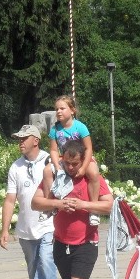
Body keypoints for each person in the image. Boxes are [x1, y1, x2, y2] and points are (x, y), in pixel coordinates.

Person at [32, 139, 113, 279]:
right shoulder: (58, 177)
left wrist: (83, 205)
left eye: (75, 164)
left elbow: (109, 205)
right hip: (60, 242)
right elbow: (36, 202)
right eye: (67, 163)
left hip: (86, 241)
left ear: (83, 160)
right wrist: (59, 203)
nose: (70, 168)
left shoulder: (91, 178)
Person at [0, 125, 58, 279]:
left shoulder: (49, 161)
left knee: (46, 261)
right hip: (26, 228)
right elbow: (10, 200)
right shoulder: (16, 167)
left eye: (24, 138)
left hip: (48, 225)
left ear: (36, 140)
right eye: (18, 138)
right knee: (33, 269)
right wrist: (4, 229)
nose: (20, 142)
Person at [40, 96, 103, 226]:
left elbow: (89, 148)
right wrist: (57, 166)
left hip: (82, 158)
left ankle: (94, 209)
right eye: (56, 109)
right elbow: (53, 150)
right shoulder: (55, 129)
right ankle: (49, 205)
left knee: (94, 172)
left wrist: (84, 167)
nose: (58, 111)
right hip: (64, 158)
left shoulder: (80, 127)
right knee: (47, 171)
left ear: (72, 110)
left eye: (62, 108)